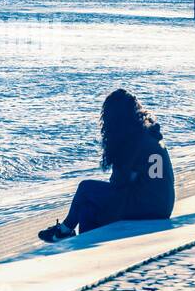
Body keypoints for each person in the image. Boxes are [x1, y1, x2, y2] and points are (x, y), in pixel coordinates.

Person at [37, 89, 175, 242]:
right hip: (161, 206)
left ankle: (65, 230)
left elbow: (120, 182)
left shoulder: (134, 141)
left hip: (147, 206)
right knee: (87, 209)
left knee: (85, 188)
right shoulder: (148, 134)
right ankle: (84, 243)